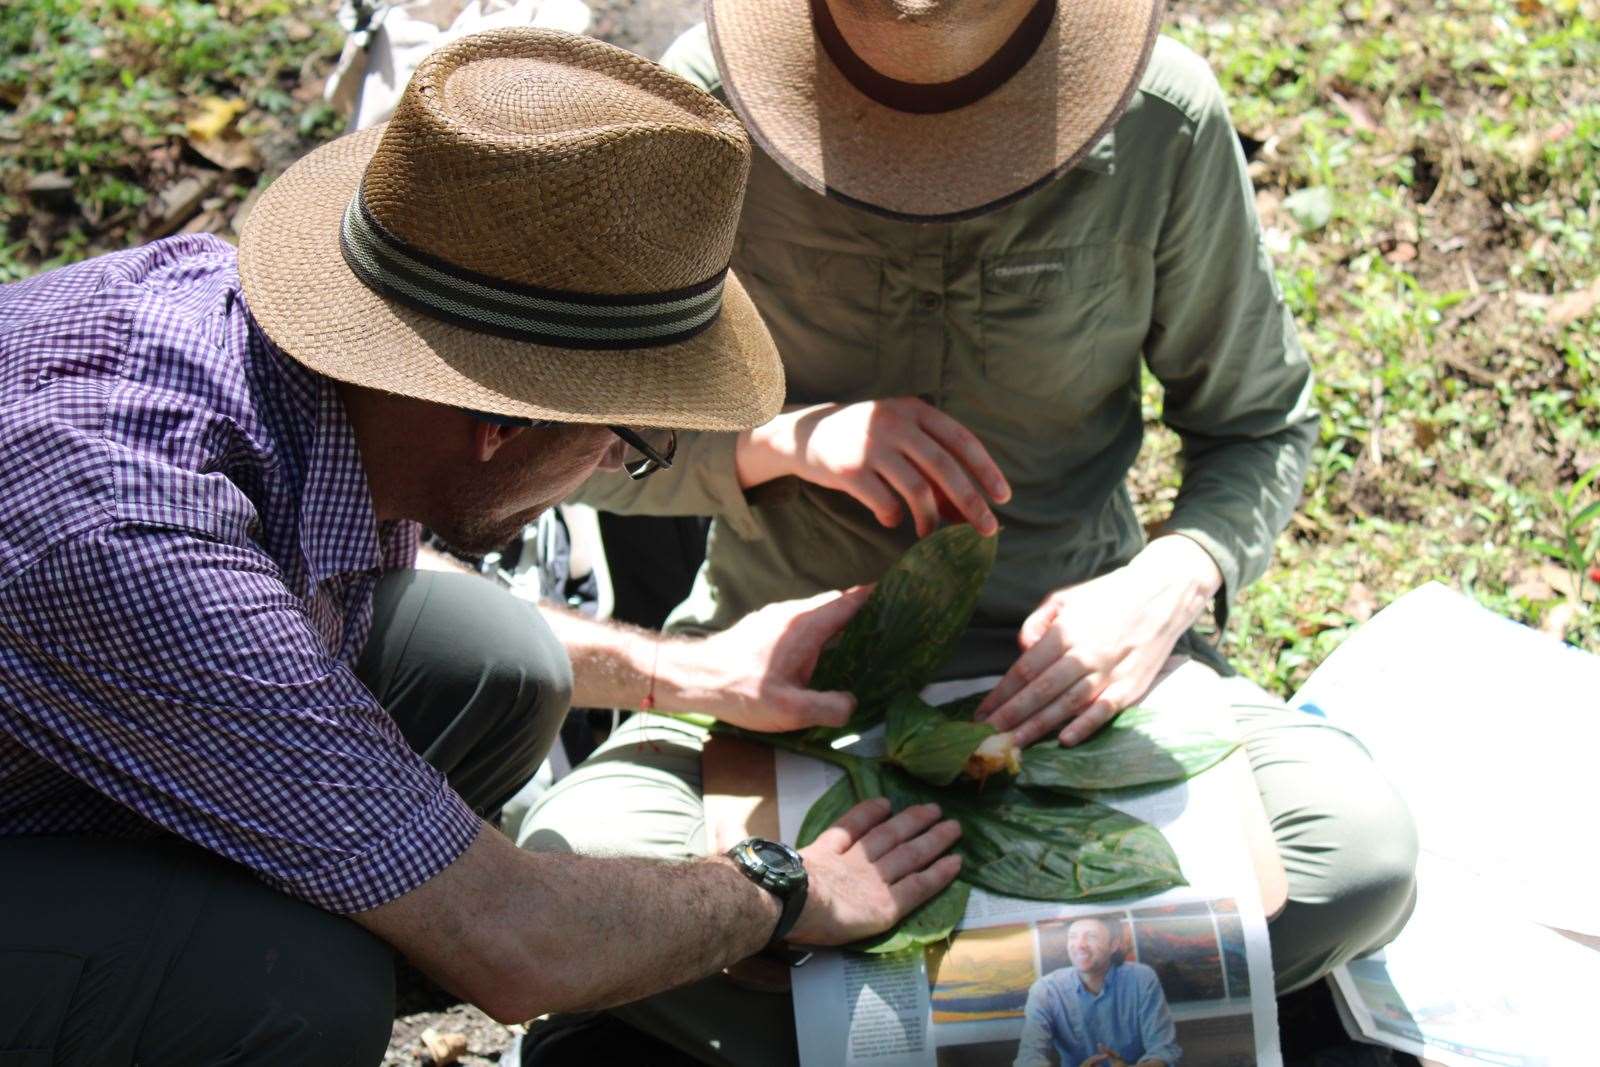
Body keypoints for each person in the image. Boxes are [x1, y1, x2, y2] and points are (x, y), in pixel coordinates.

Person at [0, 29, 965, 1066]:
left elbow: (335, 574)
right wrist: (785, 889)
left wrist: (691, 673)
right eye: (625, 441)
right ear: (499, 422)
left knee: (496, 661)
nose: (615, 461)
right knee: (285, 986)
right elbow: (522, 946)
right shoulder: (132, 533)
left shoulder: (294, 362)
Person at [520, 1, 1419, 1061]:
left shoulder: (1163, 118)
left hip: (1072, 686)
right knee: (575, 867)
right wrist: (781, 440)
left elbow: (1260, 422)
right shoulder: (704, 113)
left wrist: (1174, 573)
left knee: (1355, 857)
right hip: (776, 678)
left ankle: (832, 1013)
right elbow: (575, 449)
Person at [1015, 917, 1181, 1067]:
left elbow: (1163, 1049)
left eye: (1091, 936)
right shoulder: (1046, 990)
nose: (1079, 945)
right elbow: (1029, 1057)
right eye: (1072, 936)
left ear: (1114, 945)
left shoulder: (1141, 978)